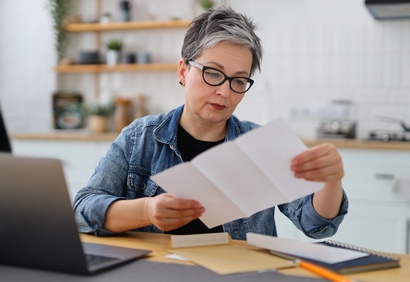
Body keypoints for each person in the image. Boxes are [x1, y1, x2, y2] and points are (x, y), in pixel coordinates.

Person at [73, 6, 348, 240]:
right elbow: (82, 211)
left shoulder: (262, 145)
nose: (225, 92)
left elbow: (317, 226)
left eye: (239, 80)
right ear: (183, 71)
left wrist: (331, 182)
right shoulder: (139, 139)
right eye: (213, 73)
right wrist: (145, 211)